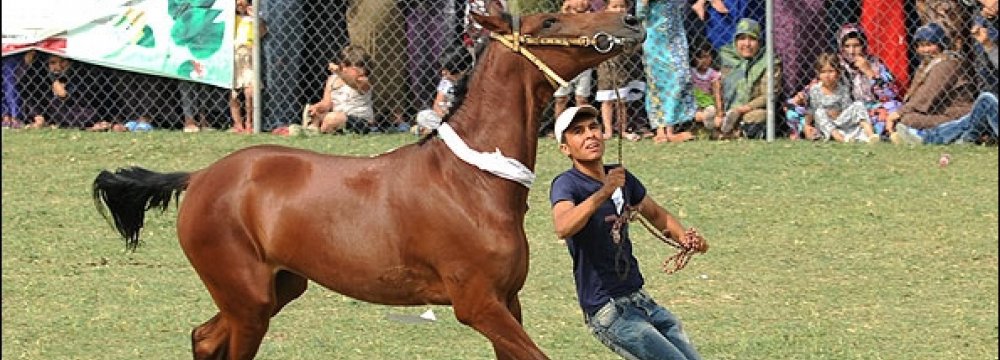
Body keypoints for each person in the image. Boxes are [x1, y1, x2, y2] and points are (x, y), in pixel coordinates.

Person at [549, 105, 705, 360]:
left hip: (640, 300)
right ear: (565, 148)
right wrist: (603, 192)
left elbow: (656, 214)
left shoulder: (620, 177)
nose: (590, 135)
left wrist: (685, 238)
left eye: (593, 127)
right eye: (578, 131)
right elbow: (562, 226)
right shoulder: (567, 184)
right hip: (607, 309)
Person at [888, 23, 998, 145]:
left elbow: (927, 95)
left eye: (929, 45)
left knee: (906, 119)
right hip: (937, 112)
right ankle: (960, 137)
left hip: (954, 114)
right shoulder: (926, 64)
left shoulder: (948, 63)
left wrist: (899, 113)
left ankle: (929, 137)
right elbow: (914, 94)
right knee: (907, 117)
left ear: (941, 44)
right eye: (920, 46)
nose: (925, 50)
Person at [637, 0, 697, 143]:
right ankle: (660, 130)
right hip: (655, 39)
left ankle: (670, 128)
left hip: (675, 38)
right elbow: (639, 13)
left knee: (679, 79)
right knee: (657, 82)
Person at [718, 18, 783, 139]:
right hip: (723, 111)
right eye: (742, 38)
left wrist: (742, 110)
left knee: (762, 116)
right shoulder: (725, 57)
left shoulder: (768, 61)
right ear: (735, 41)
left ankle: (733, 133)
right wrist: (719, 112)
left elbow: (769, 95)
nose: (747, 44)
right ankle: (724, 129)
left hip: (749, 111)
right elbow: (715, 85)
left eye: (752, 39)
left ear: (759, 41)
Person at [835, 23, 903, 138]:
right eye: (847, 46)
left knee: (895, 106)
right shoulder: (837, 65)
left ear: (864, 45)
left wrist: (869, 72)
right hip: (848, 109)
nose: (851, 51)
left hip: (874, 108)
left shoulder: (875, 64)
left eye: (856, 45)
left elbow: (891, 94)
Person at [595, 0, 646, 141]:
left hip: (624, 68)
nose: (618, 9)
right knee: (607, 100)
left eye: (622, 6)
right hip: (606, 67)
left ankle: (623, 129)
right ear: (607, 8)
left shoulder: (629, 26)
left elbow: (634, 47)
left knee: (622, 101)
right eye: (614, 6)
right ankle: (608, 130)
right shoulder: (603, 25)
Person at [803, 53, 878, 143]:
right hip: (825, 123)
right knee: (819, 112)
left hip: (840, 120)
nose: (827, 75)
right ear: (818, 73)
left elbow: (847, 108)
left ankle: (871, 135)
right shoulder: (815, 89)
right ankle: (841, 138)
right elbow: (812, 111)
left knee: (858, 105)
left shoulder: (843, 89)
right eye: (823, 72)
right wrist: (807, 125)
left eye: (831, 71)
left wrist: (837, 114)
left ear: (838, 73)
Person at [305, 45, 374, 134]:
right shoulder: (332, 80)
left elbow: (355, 85)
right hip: (337, 117)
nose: (363, 70)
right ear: (344, 66)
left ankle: (321, 131)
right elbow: (327, 103)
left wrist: (339, 73)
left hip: (360, 121)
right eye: (358, 66)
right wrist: (318, 107)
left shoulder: (363, 80)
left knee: (332, 118)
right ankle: (313, 129)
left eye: (364, 66)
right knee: (318, 114)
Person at [552, 0, 595, 124]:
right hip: (564, 64)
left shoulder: (589, 19)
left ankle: (582, 125)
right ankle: (559, 127)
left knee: (582, 99)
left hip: (583, 65)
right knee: (561, 99)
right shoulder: (562, 20)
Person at [413, 49, 474, 135]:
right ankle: (441, 131)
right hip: (449, 118)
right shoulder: (447, 81)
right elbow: (437, 104)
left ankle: (435, 131)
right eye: (443, 69)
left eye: (447, 70)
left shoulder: (473, 81)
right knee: (423, 116)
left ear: (462, 70)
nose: (443, 73)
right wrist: (443, 112)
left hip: (467, 118)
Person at [229, 0, 256, 134]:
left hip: (248, 56)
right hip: (233, 56)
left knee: (249, 91)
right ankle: (237, 123)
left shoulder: (252, 18)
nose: (240, 3)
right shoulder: (230, 18)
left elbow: (262, 32)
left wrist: (254, 18)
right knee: (233, 93)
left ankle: (249, 122)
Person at [688, 41, 725, 135]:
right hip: (694, 103)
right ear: (693, 58)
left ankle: (710, 123)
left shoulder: (713, 74)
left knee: (711, 110)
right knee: (695, 113)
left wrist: (719, 112)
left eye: (708, 56)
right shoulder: (690, 72)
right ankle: (707, 121)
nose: (705, 60)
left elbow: (717, 93)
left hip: (707, 103)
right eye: (701, 57)